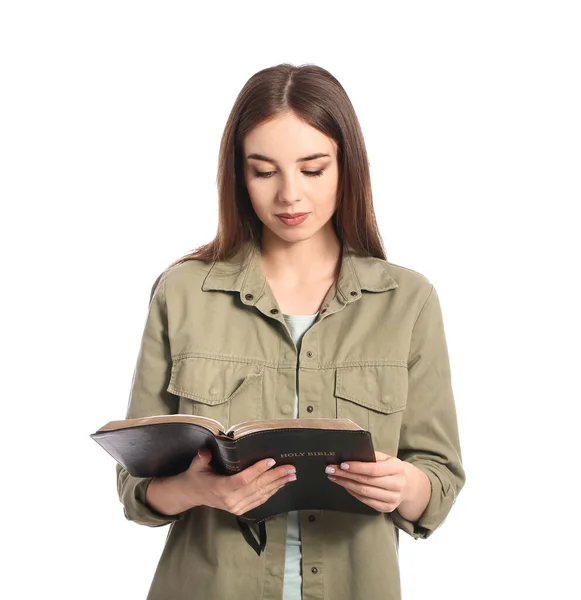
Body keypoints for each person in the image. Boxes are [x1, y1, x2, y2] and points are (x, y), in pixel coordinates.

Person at [116, 63, 466, 600]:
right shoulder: (182, 292)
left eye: (313, 168)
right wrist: (197, 489)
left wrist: (404, 485)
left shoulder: (408, 300)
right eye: (264, 171)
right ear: (238, 175)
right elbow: (137, 489)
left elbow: (437, 484)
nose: (289, 196)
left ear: (347, 168)